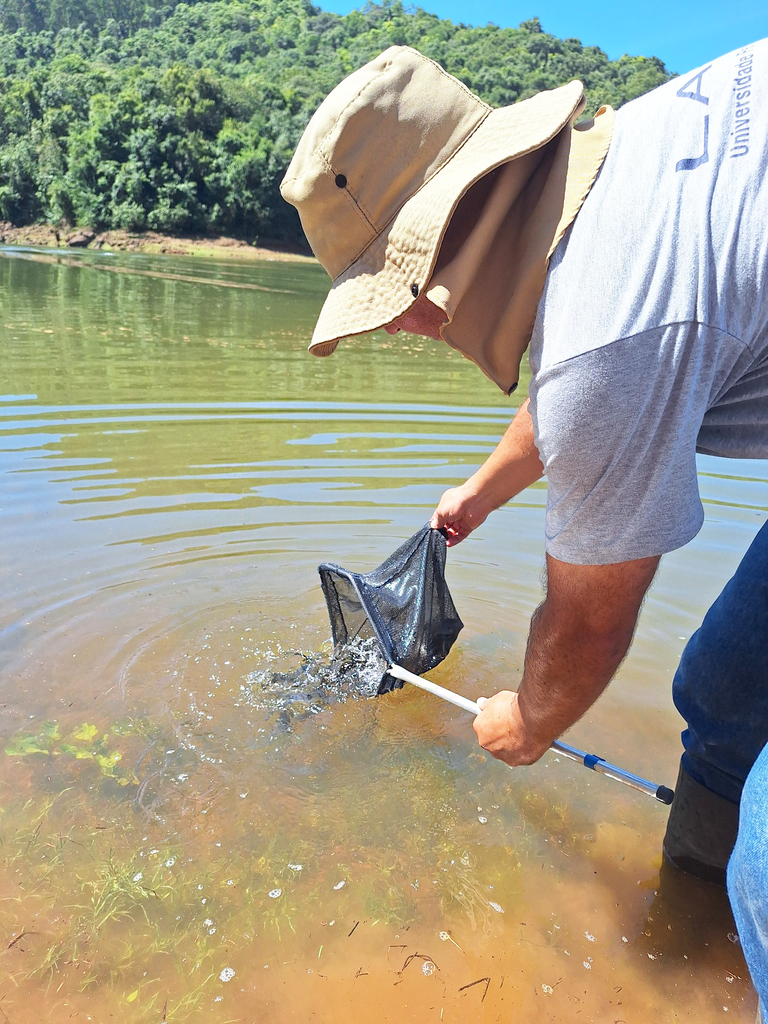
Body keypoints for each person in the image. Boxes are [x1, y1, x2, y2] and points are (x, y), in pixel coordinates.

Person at [280, 42, 768, 1016]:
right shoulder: (625, 161)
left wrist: (529, 719)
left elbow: (587, 625)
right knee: (720, 684)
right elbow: (590, 372)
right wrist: (482, 492)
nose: (405, 327)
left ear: (448, 243)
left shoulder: (605, 341)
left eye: (394, 302)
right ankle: (688, 925)